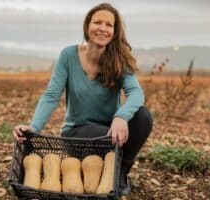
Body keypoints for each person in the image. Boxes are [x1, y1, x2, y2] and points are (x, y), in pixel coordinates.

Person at [13, 3, 153, 194]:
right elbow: (52, 95)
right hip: (78, 131)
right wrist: (34, 126)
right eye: (97, 22)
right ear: (87, 26)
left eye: (109, 25)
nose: (102, 28)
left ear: (114, 31)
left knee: (143, 117)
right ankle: (109, 168)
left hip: (111, 129)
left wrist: (121, 116)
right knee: (105, 138)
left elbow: (136, 93)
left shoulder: (120, 59)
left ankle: (119, 171)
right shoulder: (68, 55)